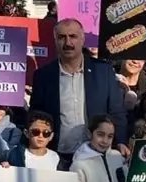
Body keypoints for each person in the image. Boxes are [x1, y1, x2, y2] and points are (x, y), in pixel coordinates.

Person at [30, 18, 128, 168]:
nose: (68, 43)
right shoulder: (43, 76)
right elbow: (36, 116)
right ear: (55, 40)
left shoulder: (103, 71)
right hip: (59, 157)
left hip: (96, 154)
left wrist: (120, 141)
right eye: (62, 37)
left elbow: (116, 111)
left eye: (73, 36)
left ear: (82, 39)